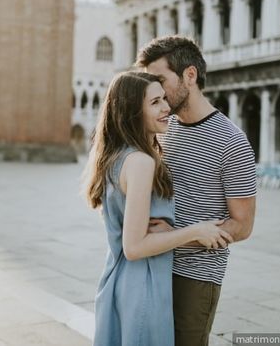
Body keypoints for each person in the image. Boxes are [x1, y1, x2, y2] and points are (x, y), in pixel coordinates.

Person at [83, 71, 233, 346]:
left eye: (163, 98)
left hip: (117, 283)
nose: (166, 107)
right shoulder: (140, 162)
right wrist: (194, 231)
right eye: (155, 102)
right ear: (131, 111)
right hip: (143, 288)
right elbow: (135, 247)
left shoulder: (115, 155)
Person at [136, 36, 257, 346]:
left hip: (196, 278)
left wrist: (176, 236)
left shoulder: (233, 143)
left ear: (189, 76)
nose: (157, 92)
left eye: (161, 80)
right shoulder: (164, 127)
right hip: (150, 266)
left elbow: (242, 226)